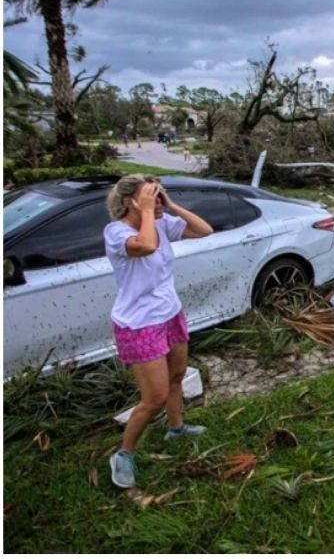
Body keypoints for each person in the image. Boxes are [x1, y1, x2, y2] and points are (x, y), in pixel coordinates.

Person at [104, 175, 214, 488]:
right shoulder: (116, 232)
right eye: (149, 196)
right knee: (154, 398)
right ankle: (124, 454)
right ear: (130, 203)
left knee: (177, 376)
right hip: (139, 324)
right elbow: (147, 245)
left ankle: (176, 427)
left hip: (169, 313)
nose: (156, 200)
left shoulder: (161, 223)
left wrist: (169, 204)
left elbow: (205, 230)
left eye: (157, 195)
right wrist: (150, 213)